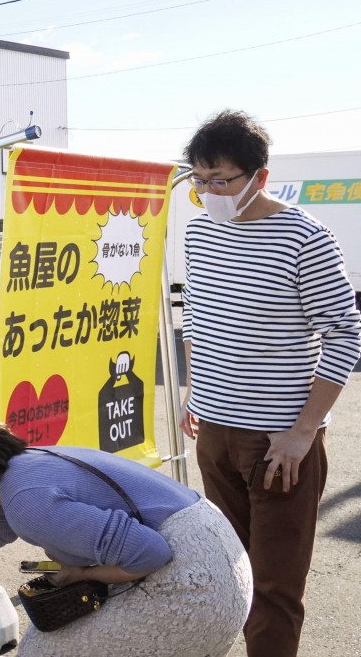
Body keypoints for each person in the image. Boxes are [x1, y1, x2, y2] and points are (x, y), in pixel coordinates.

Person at [0, 392, 253, 657]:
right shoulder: (21, 471)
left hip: (197, 584)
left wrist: (76, 574)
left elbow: (150, 553)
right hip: (216, 552)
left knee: (45, 651)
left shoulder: (25, 501)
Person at [179, 109, 361, 657]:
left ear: (259, 175)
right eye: (199, 178)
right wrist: (195, 392)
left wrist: (303, 433)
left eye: (221, 179)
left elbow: (346, 335)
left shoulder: (304, 236)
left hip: (278, 442)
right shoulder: (198, 231)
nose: (209, 190)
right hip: (213, 433)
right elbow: (200, 316)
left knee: (276, 588)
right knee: (231, 573)